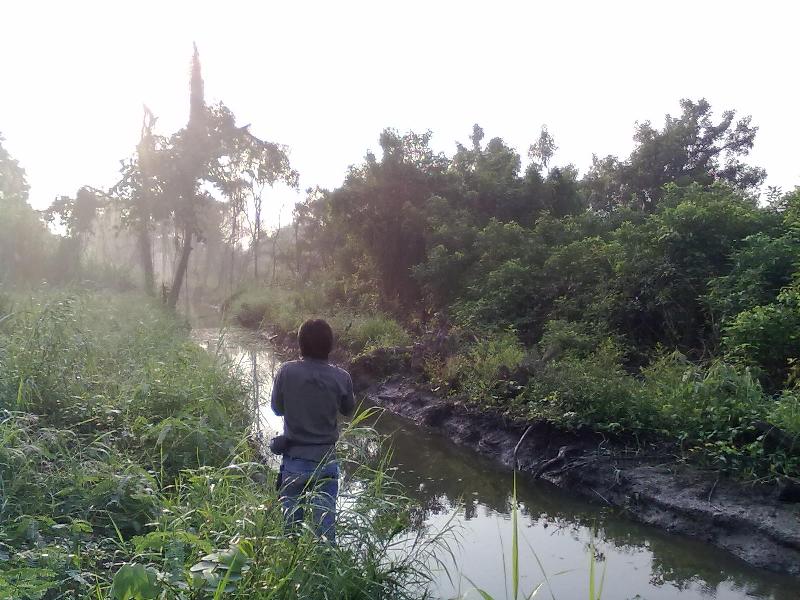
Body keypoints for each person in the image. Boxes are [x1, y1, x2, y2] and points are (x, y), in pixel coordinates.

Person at [270, 318, 355, 542]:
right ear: (330, 345)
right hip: (326, 462)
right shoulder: (342, 376)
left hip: (294, 462)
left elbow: (277, 409)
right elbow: (349, 410)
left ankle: (291, 570)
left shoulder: (286, 371)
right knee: (326, 534)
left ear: (300, 344)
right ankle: (326, 572)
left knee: (290, 531)